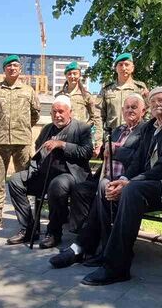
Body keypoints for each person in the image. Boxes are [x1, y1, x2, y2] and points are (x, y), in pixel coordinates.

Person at [80, 87, 162, 286]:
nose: (157, 104)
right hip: (149, 183)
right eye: (153, 101)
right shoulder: (150, 127)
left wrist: (130, 182)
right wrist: (125, 177)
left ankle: (116, 267)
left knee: (131, 190)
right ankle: (108, 252)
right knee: (106, 186)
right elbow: (137, 161)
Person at [48, 93, 148, 269]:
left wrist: (116, 151)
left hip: (127, 180)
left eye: (134, 107)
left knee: (103, 189)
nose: (130, 110)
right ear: (122, 110)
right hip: (105, 175)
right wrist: (104, 149)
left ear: (143, 110)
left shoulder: (146, 130)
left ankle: (85, 247)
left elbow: (140, 157)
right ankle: (89, 242)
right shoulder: (118, 129)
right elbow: (105, 152)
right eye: (127, 107)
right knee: (81, 189)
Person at [6, 95, 93, 249]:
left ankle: (54, 233)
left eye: (61, 112)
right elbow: (38, 147)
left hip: (70, 176)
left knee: (57, 185)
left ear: (70, 112)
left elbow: (86, 152)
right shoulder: (47, 129)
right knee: (15, 180)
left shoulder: (82, 128)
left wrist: (62, 144)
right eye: (54, 112)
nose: (57, 115)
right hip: (43, 174)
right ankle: (29, 228)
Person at [0, 55, 41, 230]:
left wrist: (21, 126)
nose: (12, 68)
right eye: (9, 65)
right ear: (4, 70)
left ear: (20, 69)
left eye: (15, 65)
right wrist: (1, 127)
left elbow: (35, 114)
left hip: (22, 141)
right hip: (0, 141)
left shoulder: (28, 91)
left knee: (24, 179)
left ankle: (24, 214)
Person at [98, 53, 149, 156]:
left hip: (135, 138)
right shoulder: (107, 89)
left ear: (132, 67)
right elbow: (99, 115)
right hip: (112, 137)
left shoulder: (140, 88)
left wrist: (145, 134)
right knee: (110, 170)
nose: (123, 68)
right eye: (120, 65)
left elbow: (147, 113)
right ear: (116, 68)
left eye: (126, 64)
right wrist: (99, 140)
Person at [56, 61, 103, 157]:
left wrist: (97, 142)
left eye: (75, 73)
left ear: (79, 75)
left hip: (80, 137)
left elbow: (96, 118)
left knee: (80, 166)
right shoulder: (59, 95)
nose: (72, 76)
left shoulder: (86, 96)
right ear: (66, 76)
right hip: (62, 136)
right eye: (69, 74)